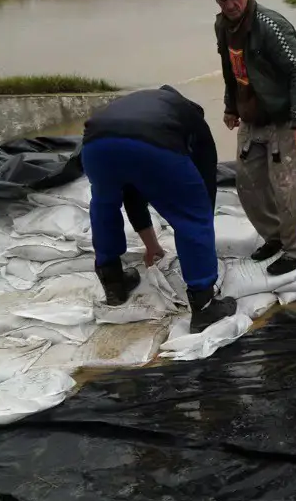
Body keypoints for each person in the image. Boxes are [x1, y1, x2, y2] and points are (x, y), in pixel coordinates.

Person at [81, 86, 237, 332]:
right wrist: (203, 221)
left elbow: (131, 192)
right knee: (192, 215)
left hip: (95, 145)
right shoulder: (193, 118)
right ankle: (204, 305)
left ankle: (113, 283)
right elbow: (206, 178)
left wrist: (151, 244)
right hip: (151, 143)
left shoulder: (140, 102)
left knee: (104, 204)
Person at [212, 0, 296, 276]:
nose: (229, 4)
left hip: (284, 118)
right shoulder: (222, 26)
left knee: (290, 188)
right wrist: (231, 106)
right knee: (249, 184)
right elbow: (230, 69)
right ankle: (276, 238)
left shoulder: (271, 25)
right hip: (252, 116)